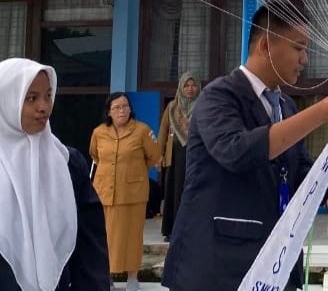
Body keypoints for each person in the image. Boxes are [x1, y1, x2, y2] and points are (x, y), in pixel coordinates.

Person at [162, 2, 328, 291]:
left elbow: (296, 178)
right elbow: (237, 152)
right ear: (266, 45)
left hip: (273, 264)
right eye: (299, 47)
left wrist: (326, 170)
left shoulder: (286, 105)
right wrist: (320, 113)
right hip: (218, 264)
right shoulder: (218, 96)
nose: (305, 58)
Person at [0, 58, 111, 291]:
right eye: (31, 98)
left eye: (48, 95)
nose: (44, 106)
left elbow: (90, 248)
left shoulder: (67, 164)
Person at [89, 92, 161, 290]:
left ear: (131, 109)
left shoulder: (142, 130)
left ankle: (132, 279)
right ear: (109, 112)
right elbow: (95, 155)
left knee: (132, 237)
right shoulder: (99, 132)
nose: (122, 111)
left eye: (125, 106)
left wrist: (134, 171)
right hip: (105, 192)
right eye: (117, 108)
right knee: (105, 237)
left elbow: (153, 156)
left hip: (132, 194)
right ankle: (108, 277)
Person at [157, 72, 200, 241]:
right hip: (174, 157)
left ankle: (192, 229)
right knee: (174, 192)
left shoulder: (203, 105)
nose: (190, 89)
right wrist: (158, 155)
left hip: (195, 157)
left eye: (193, 85)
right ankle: (172, 230)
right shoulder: (172, 107)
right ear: (181, 87)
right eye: (186, 85)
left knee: (193, 191)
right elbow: (162, 132)